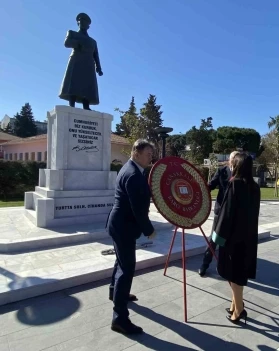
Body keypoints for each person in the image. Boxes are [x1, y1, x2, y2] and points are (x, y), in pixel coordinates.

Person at [106, 139, 156, 335]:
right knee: (127, 269)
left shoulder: (129, 168)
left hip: (120, 225)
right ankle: (119, 318)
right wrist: (149, 229)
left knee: (121, 262)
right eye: (148, 154)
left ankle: (115, 292)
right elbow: (138, 209)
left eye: (151, 154)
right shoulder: (134, 174)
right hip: (124, 226)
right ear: (136, 153)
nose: (151, 158)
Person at [212, 153, 260, 325]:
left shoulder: (235, 184)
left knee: (232, 274)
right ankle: (235, 305)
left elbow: (226, 214)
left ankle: (239, 309)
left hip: (233, 239)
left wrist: (218, 236)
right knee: (239, 273)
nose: (230, 165)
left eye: (232, 163)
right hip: (248, 237)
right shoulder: (254, 187)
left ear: (237, 165)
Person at [198, 151, 240, 277]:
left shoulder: (241, 174)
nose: (235, 160)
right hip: (220, 212)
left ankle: (224, 267)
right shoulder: (221, 171)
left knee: (230, 241)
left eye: (237, 158)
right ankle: (204, 264)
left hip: (235, 213)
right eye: (233, 158)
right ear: (229, 159)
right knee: (214, 239)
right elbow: (210, 186)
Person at [59, 13, 103, 110]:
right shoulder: (72, 33)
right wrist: (78, 44)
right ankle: (72, 103)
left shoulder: (92, 41)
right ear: (78, 23)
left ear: (88, 25)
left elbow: (96, 55)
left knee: (87, 85)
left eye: (85, 22)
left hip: (89, 64)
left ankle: (86, 105)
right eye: (81, 21)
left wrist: (98, 68)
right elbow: (66, 43)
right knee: (74, 82)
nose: (82, 23)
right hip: (76, 61)